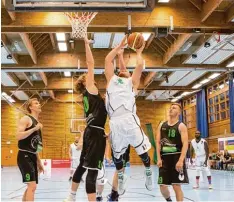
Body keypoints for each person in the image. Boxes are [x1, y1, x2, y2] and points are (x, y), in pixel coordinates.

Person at [105, 35, 152, 195]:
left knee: (142, 151)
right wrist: (118, 50)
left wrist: (139, 51)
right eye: (122, 69)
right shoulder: (112, 79)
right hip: (115, 123)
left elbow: (139, 65)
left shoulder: (132, 83)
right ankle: (121, 178)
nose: (124, 70)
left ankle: (148, 172)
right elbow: (107, 60)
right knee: (117, 155)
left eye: (126, 70)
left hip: (129, 120)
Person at [64, 36, 107, 202]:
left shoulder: (87, 98)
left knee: (82, 166)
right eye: (90, 78)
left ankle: (71, 197)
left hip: (93, 132)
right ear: (86, 82)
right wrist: (87, 45)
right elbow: (90, 64)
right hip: (95, 134)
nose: (93, 79)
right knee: (93, 171)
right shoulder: (91, 89)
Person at [156, 103, 189, 202]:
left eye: (174, 108)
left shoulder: (181, 126)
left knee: (176, 186)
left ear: (179, 112)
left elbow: (185, 144)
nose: (171, 109)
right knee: (162, 185)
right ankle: (169, 200)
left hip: (176, 158)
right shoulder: (162, 125)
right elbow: (157, 142)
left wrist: (181, 160)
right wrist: (158, 158)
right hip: (164, 158)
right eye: (170, 108)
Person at [16, 98, 44, 201]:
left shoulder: (38, 123)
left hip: (32, 156)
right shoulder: (26, 119)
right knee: (32, 186)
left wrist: (39, 162)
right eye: (36, 103)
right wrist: (34, 129)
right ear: (30, 107)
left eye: (39, 103)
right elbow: (18, 136)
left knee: (32, 187)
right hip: (24, 155)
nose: (39, 104)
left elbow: (35, 148)